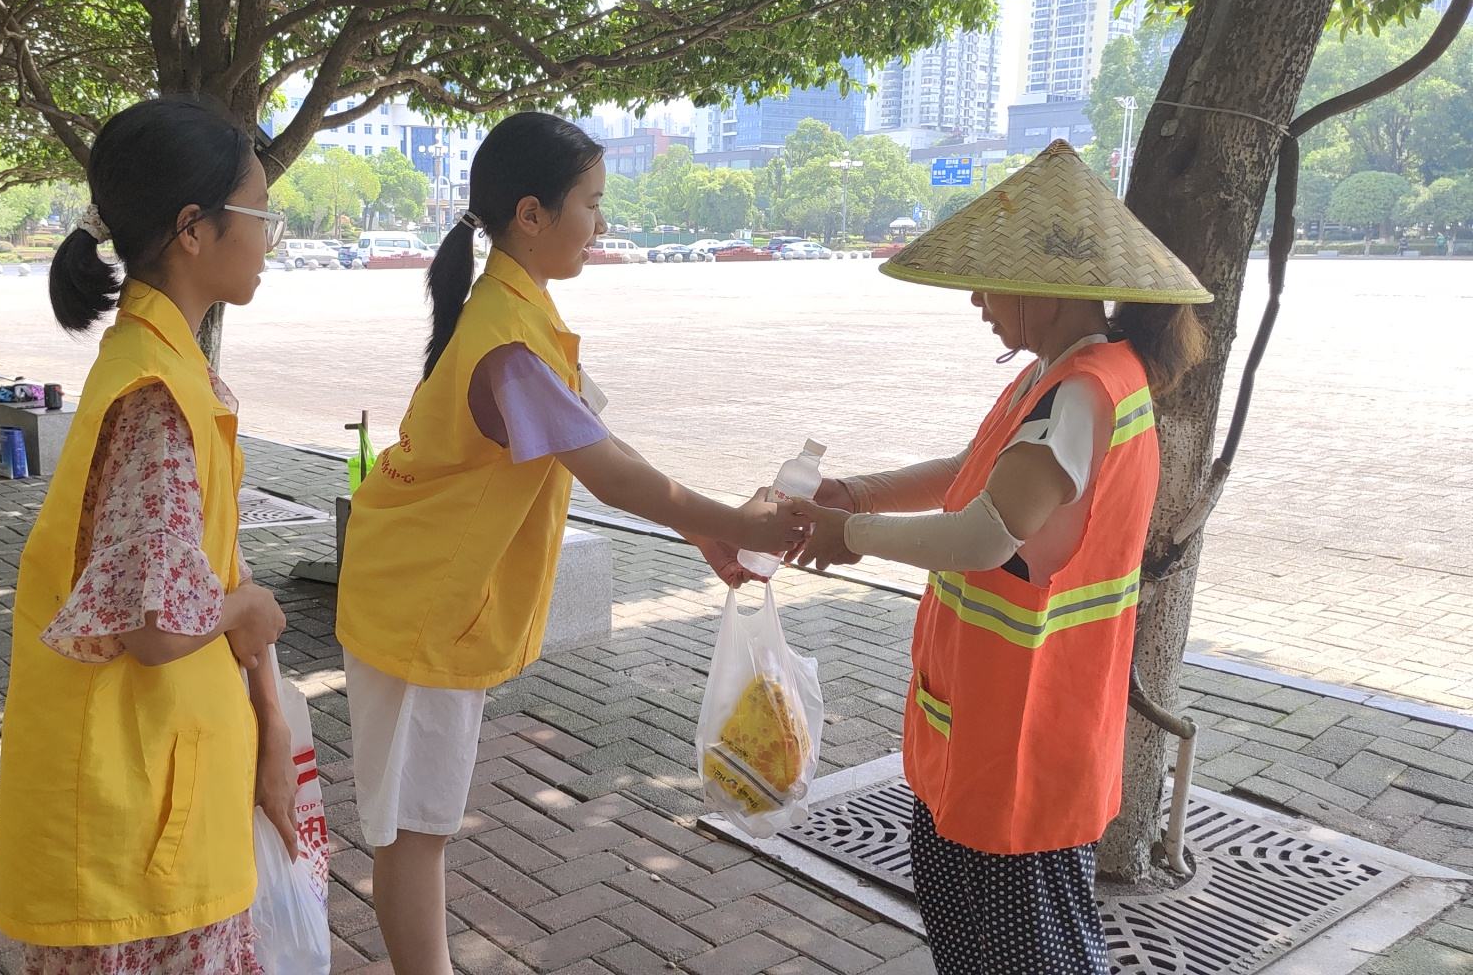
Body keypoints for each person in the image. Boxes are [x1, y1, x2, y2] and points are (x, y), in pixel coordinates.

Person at [335, 112, 811, 975]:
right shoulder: (509, 343)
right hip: (417, 604)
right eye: (591, 203)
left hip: (421, 593)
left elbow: (600, 443)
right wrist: (740, 525)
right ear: (531, 215)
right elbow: (609, 474)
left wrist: (708, 532)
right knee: (411, 829)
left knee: (420, 823)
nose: (601, 222)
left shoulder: (520, 314)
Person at [786, 140, 1211, 975]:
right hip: (993, 710)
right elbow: (973, 469)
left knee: (1028, 949)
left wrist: (850, 536)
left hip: (1029, 724)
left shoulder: (1082, 393)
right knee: (976, 932)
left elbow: (987, 533)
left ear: (1045, 288)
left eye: (989, 281)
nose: (977, 299)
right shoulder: (1062, 376)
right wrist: (857, 494)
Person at [0, 96, 299, 975]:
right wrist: (248, 610)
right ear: (194, 229)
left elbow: (201, 565)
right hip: (136, 818)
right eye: (260, 215)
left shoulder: (164, 368)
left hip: (162, 788)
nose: (269, 239)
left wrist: (269, 719)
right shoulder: (156, 395)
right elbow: (154, 624)